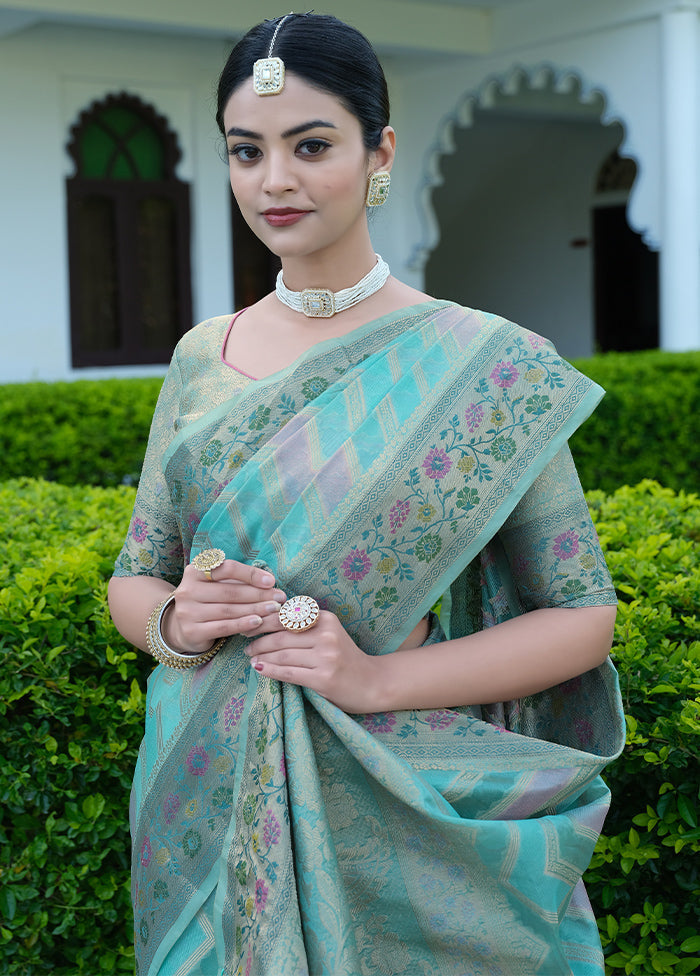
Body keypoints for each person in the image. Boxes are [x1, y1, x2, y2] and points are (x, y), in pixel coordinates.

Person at [108, 12, 624, 976]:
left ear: (379, 151)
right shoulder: (200, 356)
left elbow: (581, 618)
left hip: (401, 790)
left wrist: (375, 678)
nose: (275, 181)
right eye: (246, 150)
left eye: (312, 145)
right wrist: (178, 622)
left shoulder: (484, 364)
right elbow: (138, 575)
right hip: (203, 787)